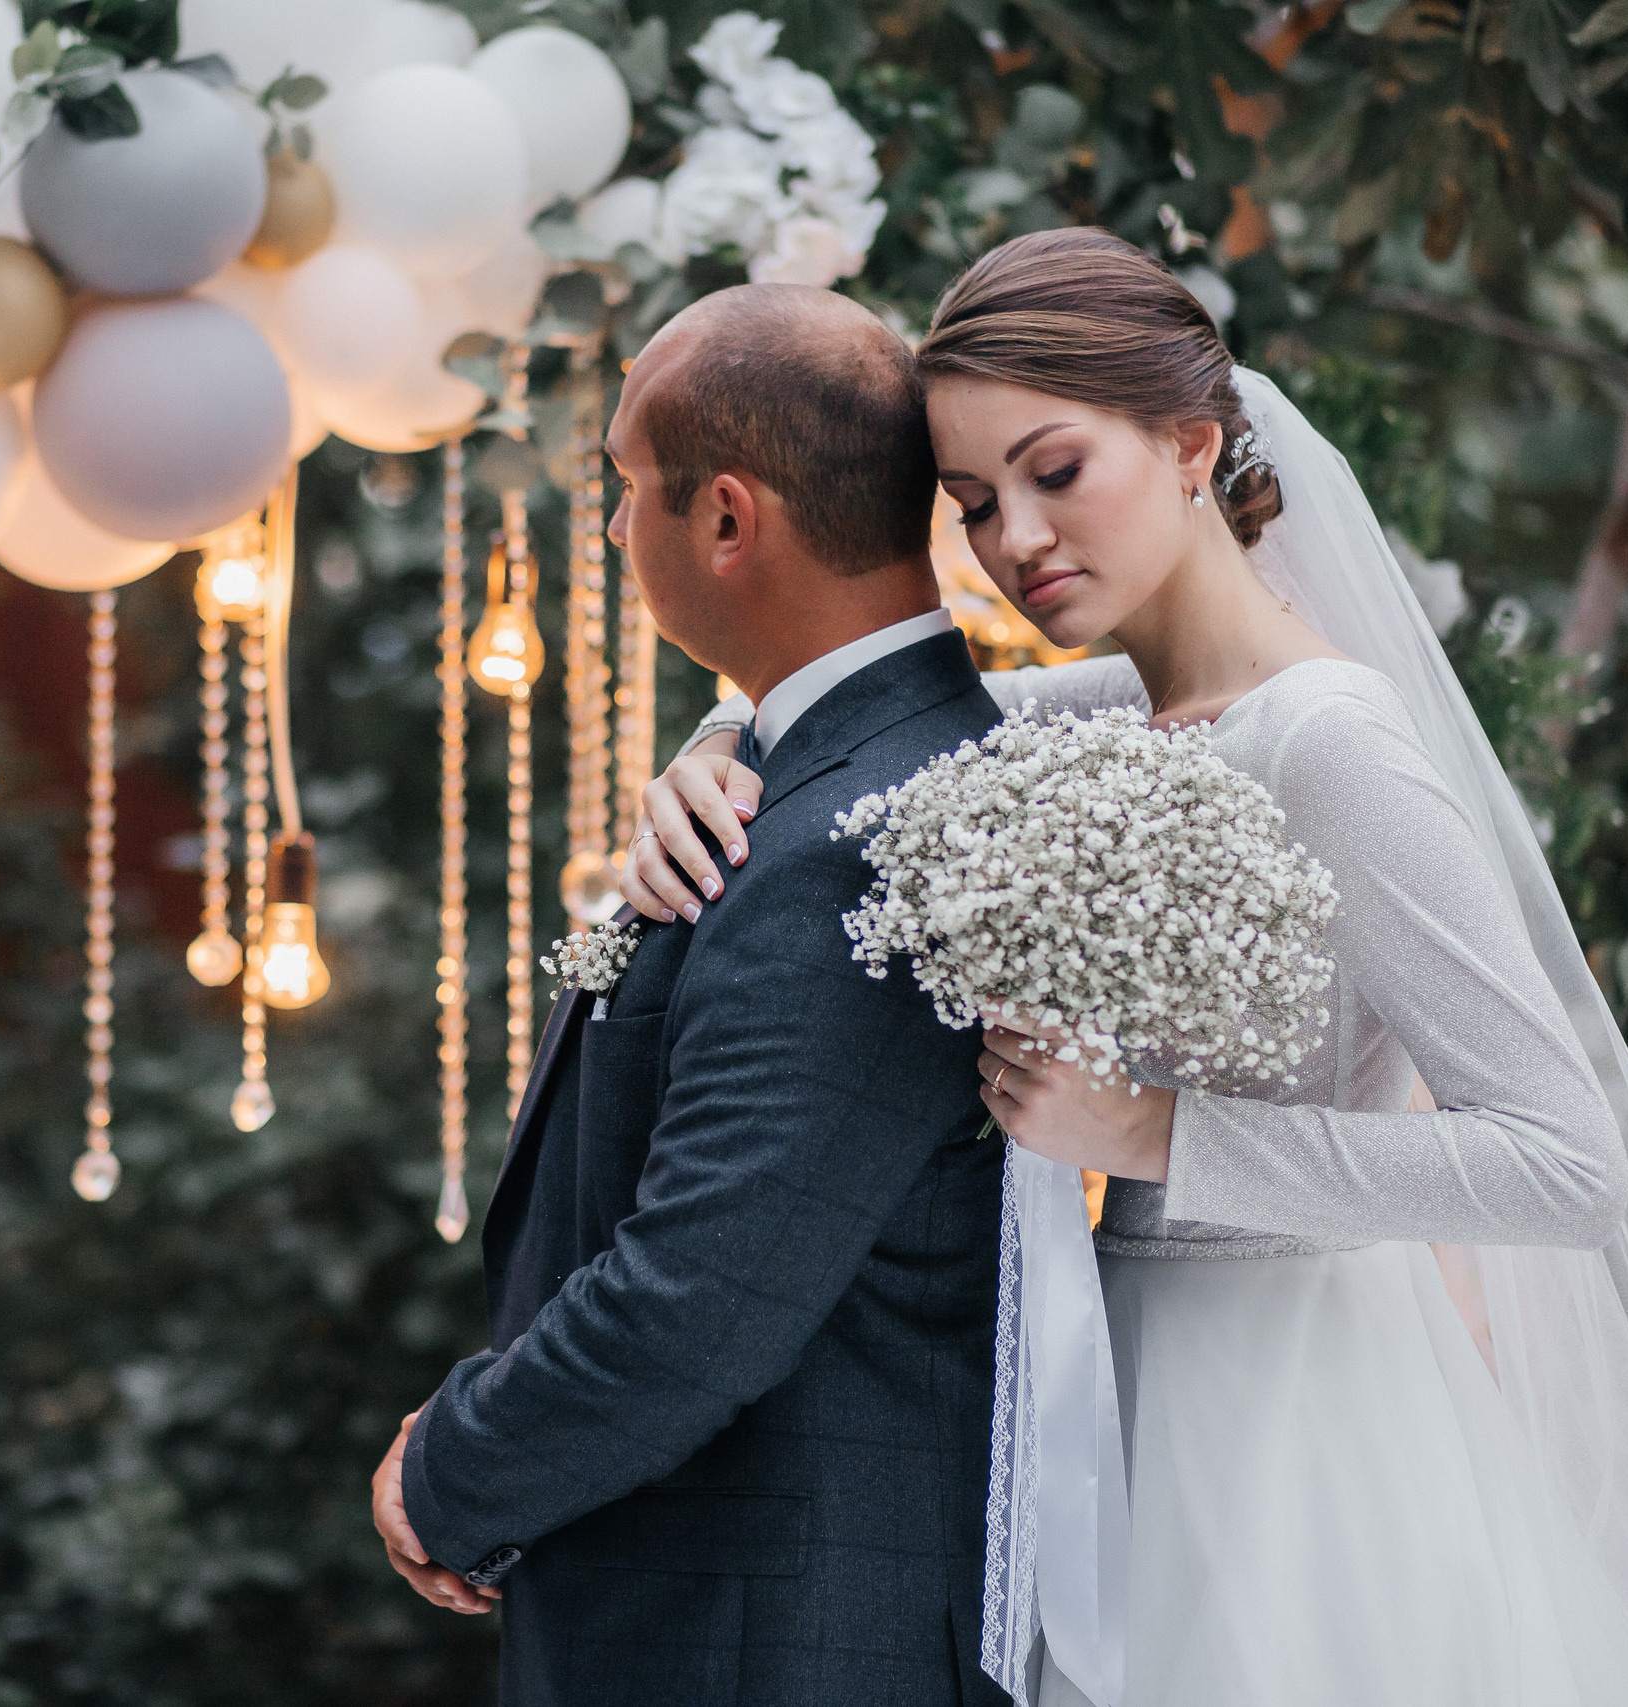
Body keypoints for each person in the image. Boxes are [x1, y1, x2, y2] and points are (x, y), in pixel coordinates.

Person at [622, 229, 1628, 1707]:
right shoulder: (1106, 712)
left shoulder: (1329, 741)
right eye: (973, 502)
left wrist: (1149, 1134)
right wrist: (708, 754)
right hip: (1106, 1393)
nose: (1013, 538)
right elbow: (857, 731)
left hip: (1303, 1420)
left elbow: (1565, 1163)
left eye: (1053, 471)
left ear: (1192, 443)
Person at [369, 283, 1015, 1705]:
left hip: (768, 1646)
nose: (609, 531)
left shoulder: (862, 837)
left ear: (727, 518)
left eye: (621, 489)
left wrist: (449, 1467)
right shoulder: (815, 775)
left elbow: (701, 1295)